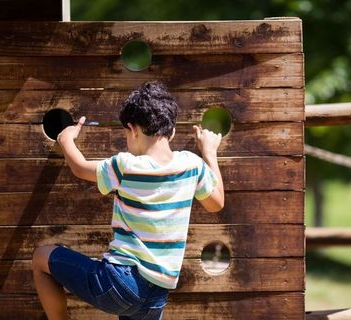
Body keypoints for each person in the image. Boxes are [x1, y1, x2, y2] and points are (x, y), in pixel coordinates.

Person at [32, 81, 224, 320]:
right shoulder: (192, 165)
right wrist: (209, 153)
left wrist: (65, 139)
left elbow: (80, 168)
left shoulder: (126, 165)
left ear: (133, 130)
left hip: (118, 284)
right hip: (158, 292)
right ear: (172, 131)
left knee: (42, 256)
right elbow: (216, 203)